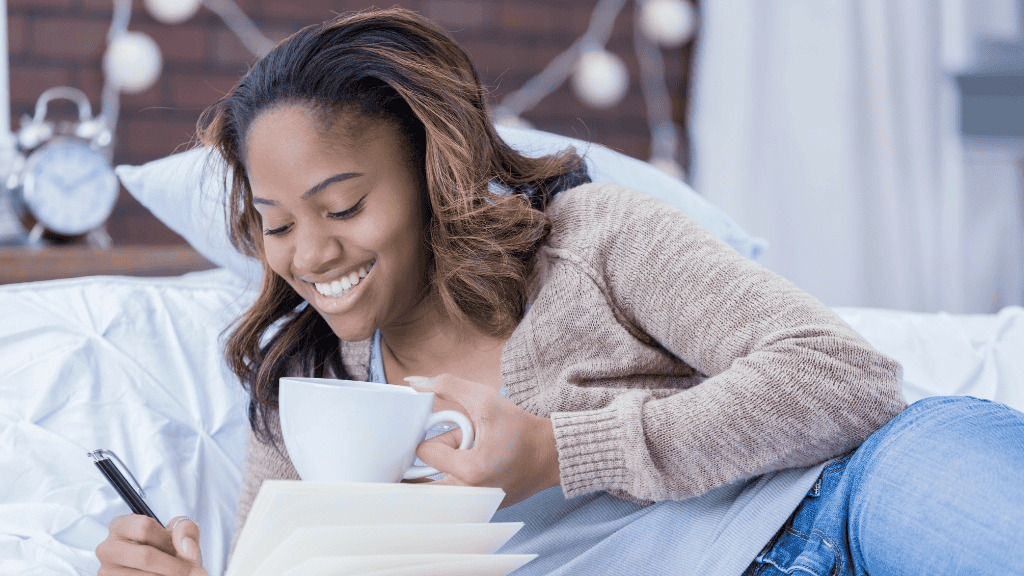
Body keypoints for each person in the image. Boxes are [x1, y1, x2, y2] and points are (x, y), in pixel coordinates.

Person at [96, 8, 1024, 576]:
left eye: (342, 204)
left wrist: (559, 453)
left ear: (430, 171)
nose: (308, 254)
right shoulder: (310, 395)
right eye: (277, 221)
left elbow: (846, 378)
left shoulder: (594, 237)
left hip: (852, 498)